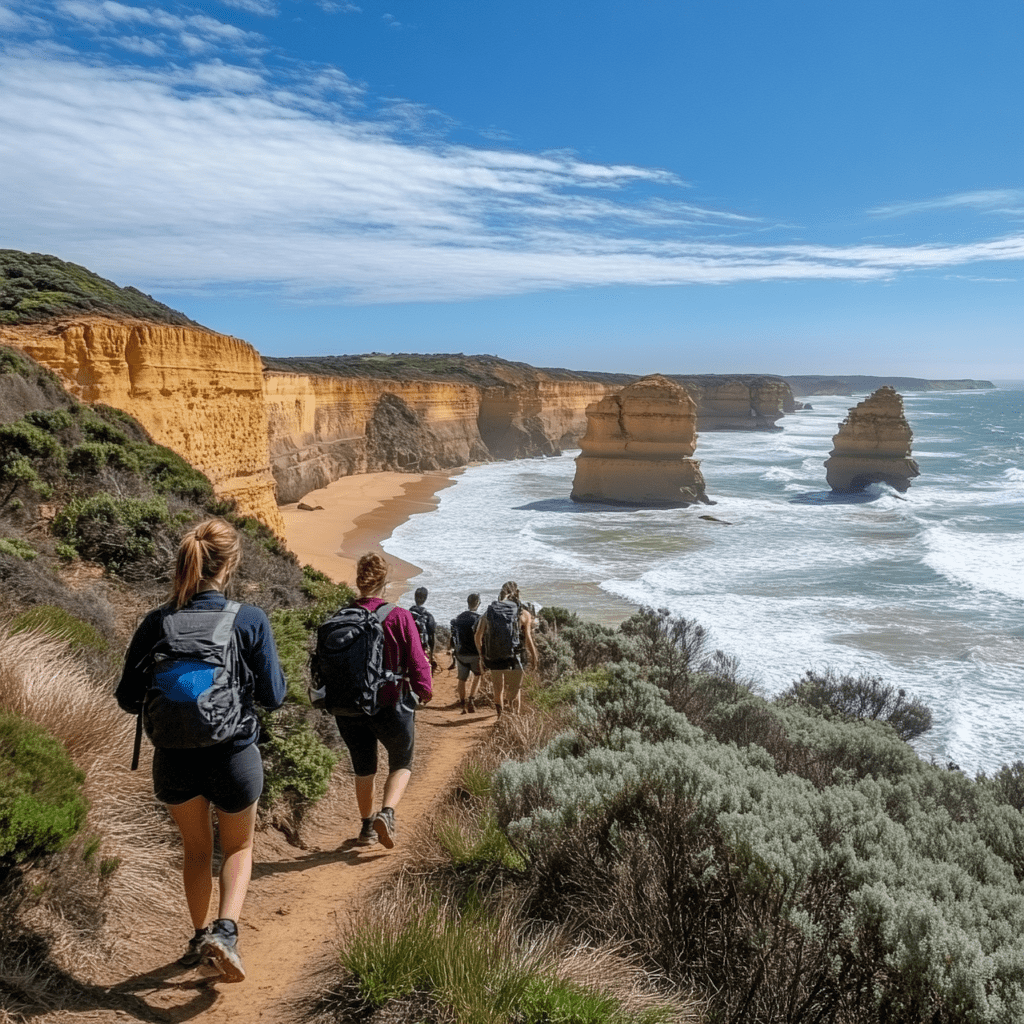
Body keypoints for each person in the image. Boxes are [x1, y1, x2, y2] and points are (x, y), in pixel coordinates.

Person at [115, 518, 286, 983]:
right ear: (229, 564)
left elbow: (127, 698)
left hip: (173, 759)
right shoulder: (249, 619)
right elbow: (273, 695)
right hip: (233, 755)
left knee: (195, 849)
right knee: (239, 846)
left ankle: (197, 937)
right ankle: (225, 932)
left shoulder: (158, 621)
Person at [337, 553, 432, 849]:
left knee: (363, 766)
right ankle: (387, 813)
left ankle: (366, 827)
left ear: (359, 580)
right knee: (401, 761)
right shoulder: (399, 616)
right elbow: (418, 661)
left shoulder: (340, 616)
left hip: (350, 706)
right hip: (390, 703)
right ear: (384, 581)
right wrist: (424, 691)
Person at [474, 581, 538, 717]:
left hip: (494, 656)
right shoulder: (523, 613)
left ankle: (500, 717)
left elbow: (477, 635)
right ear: (517, 593)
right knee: (515, 689)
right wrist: (534, 657)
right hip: (516, 657)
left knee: (498, 689)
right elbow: (528, 639)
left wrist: (482, 655)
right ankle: (514, 715)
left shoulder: (489, 613)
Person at [449, 593, 483, 714]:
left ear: (468, 603)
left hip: (461, 654)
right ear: (478, 603)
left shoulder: (459, 618)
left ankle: (463, 705)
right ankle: (471, 700)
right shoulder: (479, 618)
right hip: (475, 654)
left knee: (462, 679)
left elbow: (453, 636)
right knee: (478, 676)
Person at [409, 586, 437, 672]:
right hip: (423, 649)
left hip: (409, 649)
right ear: (425, 599)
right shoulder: (428, 616)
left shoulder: (407, 614)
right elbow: (431, 637)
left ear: (415, 597)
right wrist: (432, 655)